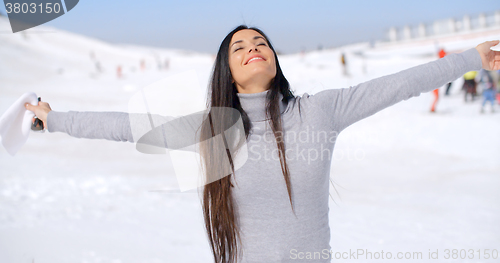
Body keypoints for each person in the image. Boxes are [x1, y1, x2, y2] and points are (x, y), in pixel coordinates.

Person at [24, 25, 499, 262]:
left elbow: (398, 84)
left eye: (260, 42)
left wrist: (468, 58)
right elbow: (129, 125)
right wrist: (56, 119)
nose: (253, 47)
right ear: (227, 71)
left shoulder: (321, 110)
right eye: (239, 46)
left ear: (274, 58)